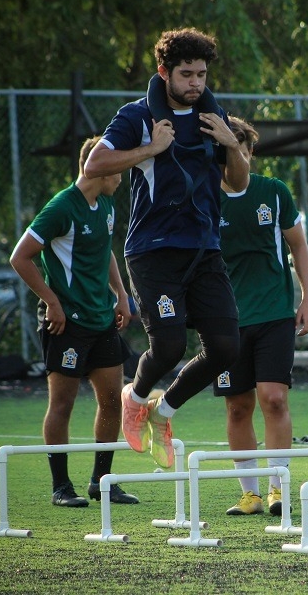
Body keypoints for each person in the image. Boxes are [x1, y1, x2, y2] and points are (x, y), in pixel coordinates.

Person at [84, 27, 249, 469]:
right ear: (164, 72)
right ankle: (135, 399)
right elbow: (93, 163)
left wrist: (233, 145)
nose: (196, 83)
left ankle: (164, 410)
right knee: (170, 345)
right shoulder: (137, 116)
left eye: (201, 74)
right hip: (153, 251)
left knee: (226, 348)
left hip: (204, 250)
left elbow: (237, 183)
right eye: (186, 74)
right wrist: (149, 148)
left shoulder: (214, 118)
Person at [9, 136, 139, 507]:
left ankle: (102, 481)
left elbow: (105, 250)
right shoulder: (61, 208)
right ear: (103, 169)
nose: (122, 178)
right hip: (66, 323)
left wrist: (121, 294)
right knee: (63, 404)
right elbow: (20, 257)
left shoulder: (107, 203)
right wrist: (51, 302)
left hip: (101, 319)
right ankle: (61, 487)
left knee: (112, 399)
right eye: (119, 171)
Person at [214, 117, 308, 516]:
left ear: (250, 152)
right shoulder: (205, 198)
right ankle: (250, 494)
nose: (235, 155)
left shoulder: (273, 192)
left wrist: (307, 297)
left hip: (274, 313)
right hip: (225, 319)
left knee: (273, 399)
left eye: (240, 147)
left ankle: (277, 488)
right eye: (226, 148)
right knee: (237, 407)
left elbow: (299, 246)